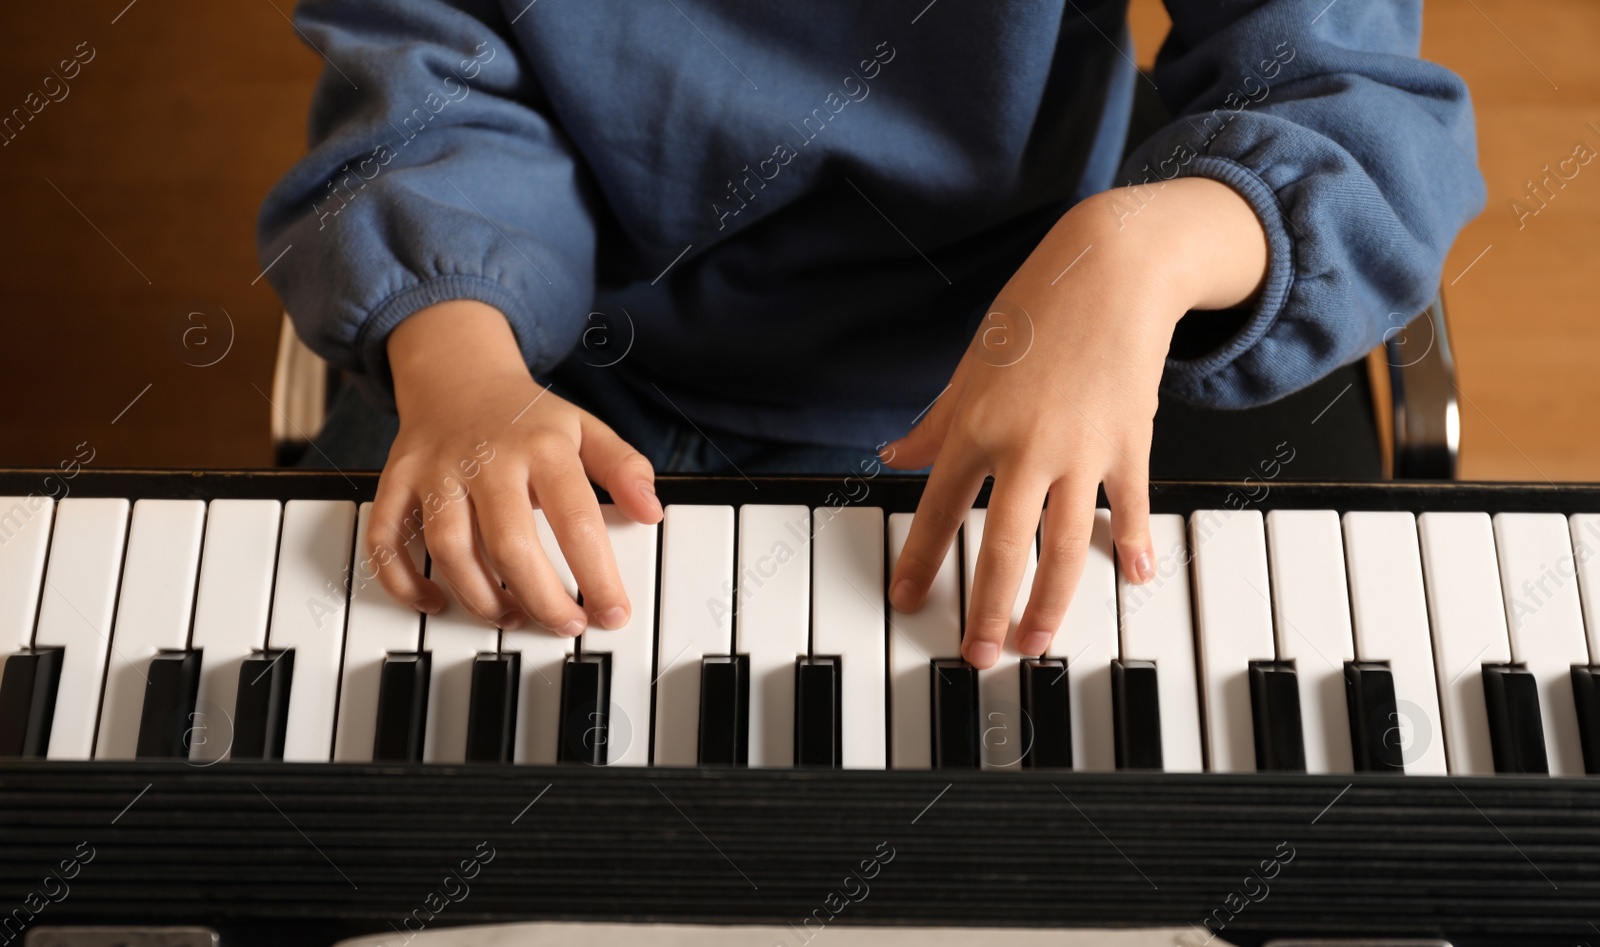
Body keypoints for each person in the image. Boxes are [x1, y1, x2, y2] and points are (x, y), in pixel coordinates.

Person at [258, 0, 1484, 668]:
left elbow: (1354, 98)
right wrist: (460, 367)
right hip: (523, 367)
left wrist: (1139, 247)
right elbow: (429, 78)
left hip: (1021, 386)